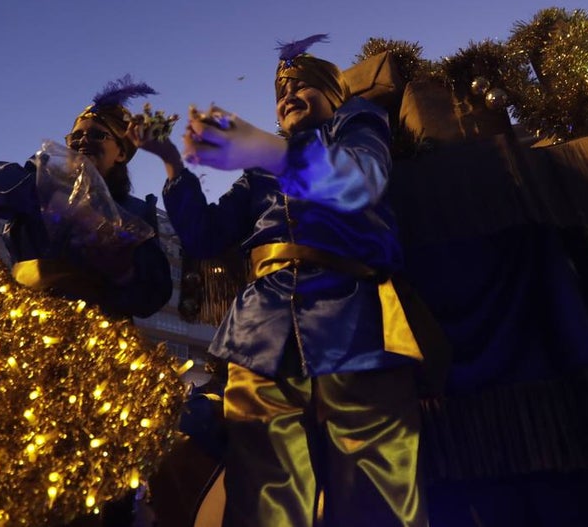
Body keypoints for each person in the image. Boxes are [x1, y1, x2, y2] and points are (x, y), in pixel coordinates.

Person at [132, 35, 428, 527]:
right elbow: (205, 238)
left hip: (356, 324)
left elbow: (360, 182)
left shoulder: (355, 125)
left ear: (334, 96)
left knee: (377, 490)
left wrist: (268, 151)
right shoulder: (259, 176)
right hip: (260, 333)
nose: (287, 96)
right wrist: (170, 161)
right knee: (264, 496)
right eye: (280, 92)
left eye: (301, 87)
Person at [0, 75, 173, 321]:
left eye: (97, 135)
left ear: (120, 153)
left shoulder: (137, 212)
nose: (82, 142)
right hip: (27, 319)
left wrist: (124, 269)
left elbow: (153, 294)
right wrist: (54, 196)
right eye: (75, 137)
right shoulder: (37, 178)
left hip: (100, 331)